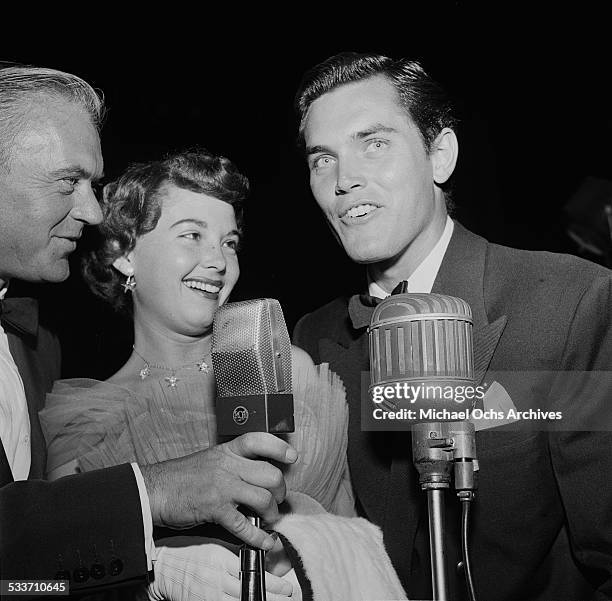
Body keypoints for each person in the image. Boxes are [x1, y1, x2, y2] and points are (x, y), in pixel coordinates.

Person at [292, 51, 612, 601]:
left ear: (439, 155)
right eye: (323, 159)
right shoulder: (311, 340)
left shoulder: (572, 302)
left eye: (374, 143)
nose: (345, 179)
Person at [0, 65, 298, 600]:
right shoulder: (81, 409)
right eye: (70, 181)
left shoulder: (36, 349)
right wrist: (155, 538)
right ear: (127, 256)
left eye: (230, 241)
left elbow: (21, 584)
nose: (92, 211)